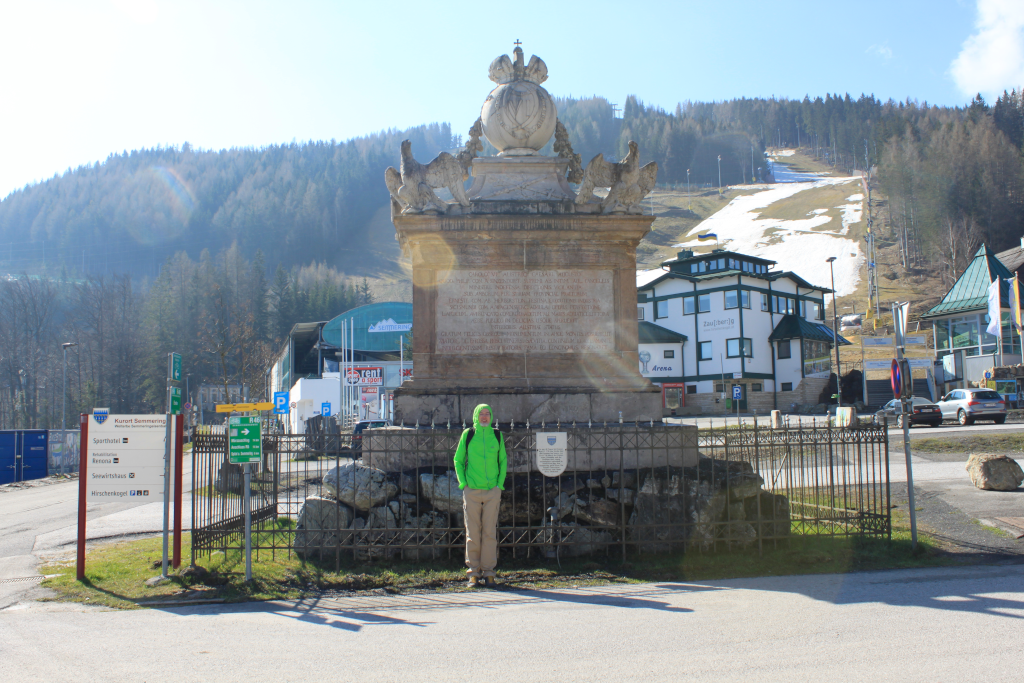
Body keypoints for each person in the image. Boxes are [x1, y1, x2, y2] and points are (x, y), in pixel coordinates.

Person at [453, 404, 507, 587]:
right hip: (472, 490)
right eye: (481, 414)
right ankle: (473, 572)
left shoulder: (497, 435)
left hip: (492, 490)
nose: (484, 417)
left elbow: (503, 460)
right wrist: (463, 483)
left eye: (487, 414)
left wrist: (499, 484)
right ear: (476, 416)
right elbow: (458, 460)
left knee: (490, 532)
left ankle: (489, 571)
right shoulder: (468, 435)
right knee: (473, 533)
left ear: (491, 416)